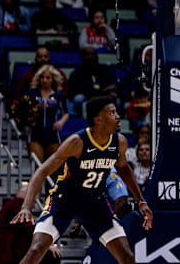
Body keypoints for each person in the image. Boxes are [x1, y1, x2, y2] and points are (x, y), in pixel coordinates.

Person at [10, 97, 152, 264]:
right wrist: (26, 206)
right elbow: (41, 171)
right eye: (112, 113)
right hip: (64, 201)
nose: (118, 116)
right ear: (99, 120)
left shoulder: (119, 142)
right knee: (36, 249)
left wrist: (141, 201)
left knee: (127, 257)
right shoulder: (77, 142)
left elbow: (123, 168)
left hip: (95, 203)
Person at [0, 186, 63, 264]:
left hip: (15, 251)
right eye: (34, 202)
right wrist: (46, 244)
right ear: (29, 198)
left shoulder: (13, 205)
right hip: (10, 254)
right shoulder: (16, 206)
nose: (34, 206)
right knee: (52, 255)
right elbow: (29, 228)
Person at [22, 65, 69, 162]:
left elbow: (66, 113)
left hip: (52, 135)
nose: (44, 80)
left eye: (48, 78)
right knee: (37, 165)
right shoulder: (31, 93)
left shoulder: (58, 94)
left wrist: (61, 122)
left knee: (52, 167)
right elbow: (23, 110)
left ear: (53, 79)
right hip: (35, 134)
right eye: (42, 77)